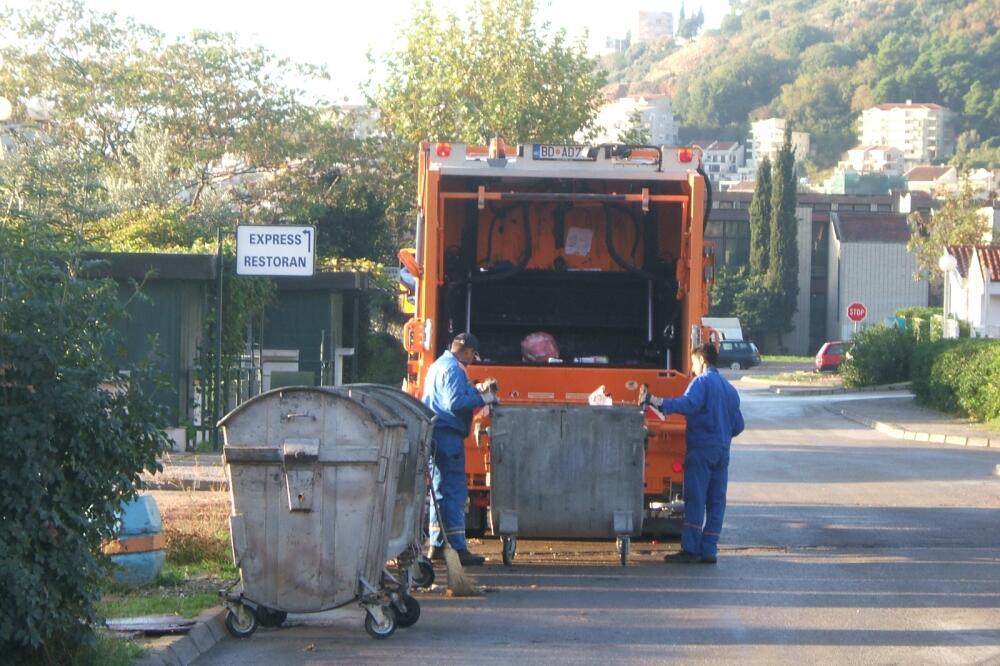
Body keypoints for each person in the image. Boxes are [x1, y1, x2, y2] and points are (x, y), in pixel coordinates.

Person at [639, 343, 744, 564]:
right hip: (721, 452)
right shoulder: (729, 389)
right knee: (717, 502)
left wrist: (658, 402)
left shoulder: (701, 382)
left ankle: (690, 549)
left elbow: (689, 404)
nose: (693, 367)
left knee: (696, 499)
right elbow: (739, 425)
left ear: (702, 361)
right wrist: (721, 435)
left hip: (701, 450)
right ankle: (709, 551)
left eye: (694, 362)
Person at [423, 333, 498, 566]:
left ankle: (436, 545)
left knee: (439, 492)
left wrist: (474, 390)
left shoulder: (437, 366)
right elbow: (454, 402)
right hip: (448, 436)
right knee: (455, 492)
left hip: (435, 433)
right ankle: (457, 548)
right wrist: (482, 396)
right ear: (467, 351)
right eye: (473, 356)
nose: (472, 360)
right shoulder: (454, 369)